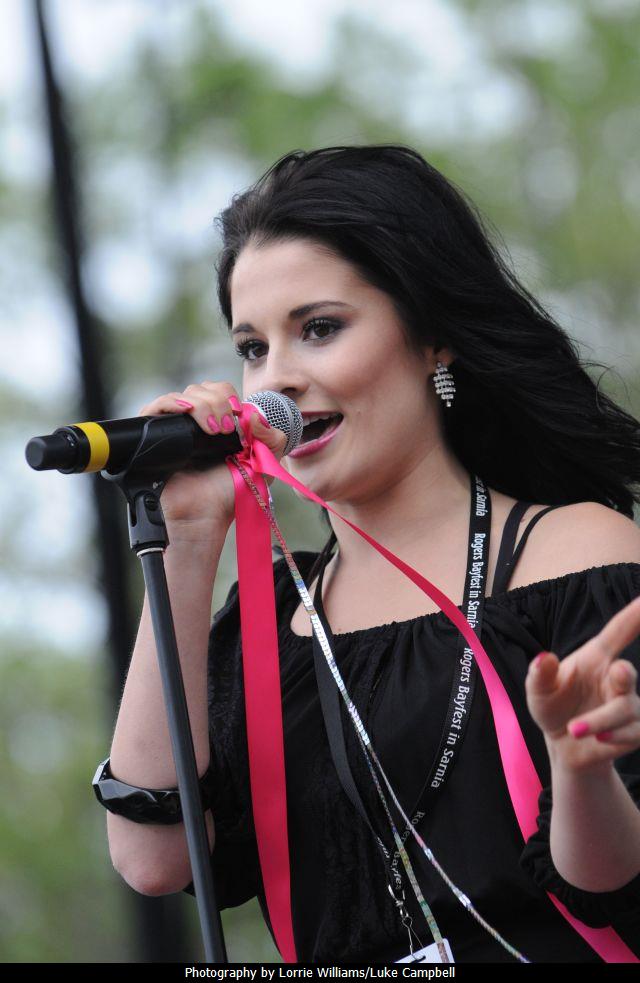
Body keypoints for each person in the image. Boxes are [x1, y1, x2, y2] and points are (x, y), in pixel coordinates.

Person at [101, 146, 640, 963]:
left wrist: (580, 769)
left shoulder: (575, 554)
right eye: (252, 348)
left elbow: (613, 879)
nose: (277, 381)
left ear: (433, 339)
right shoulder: (270, 624)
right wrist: (186, 539)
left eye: (319, 329)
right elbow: (153, 860)